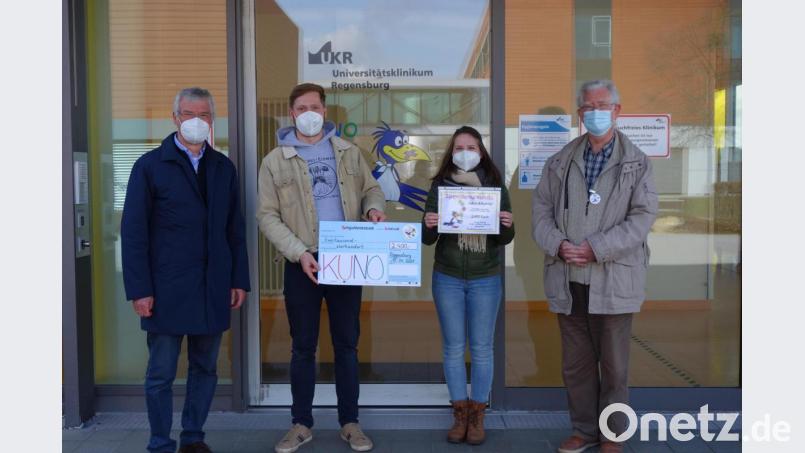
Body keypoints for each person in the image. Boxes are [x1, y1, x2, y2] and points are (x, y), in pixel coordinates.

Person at [256, 83, 386, 453]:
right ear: (292, 113)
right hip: (304, 262)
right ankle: (301, 424)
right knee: (302, 347)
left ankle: (350, 423)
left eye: (315, 106)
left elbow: (371, 190)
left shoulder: (348, 152)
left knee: (347, 344)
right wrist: (299, 253)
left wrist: (373, 209)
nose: (309, 112)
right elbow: (267, 216)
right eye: (301, 107)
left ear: (325, 111)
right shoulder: (274, 160)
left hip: (346, 257)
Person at [531, 80, 658, 453]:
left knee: (615, 367)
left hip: (613, 279)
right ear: (580, 113)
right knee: (577, 365)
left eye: (603, 105)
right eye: (588, 106)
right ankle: (583, 431)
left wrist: (595, 248)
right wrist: (560, 245)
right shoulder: (561, 161)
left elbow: (642, 218)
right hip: (568, 278)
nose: (595, 112)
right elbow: (540, 211)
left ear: (617, 111)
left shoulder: (637, 162)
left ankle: (613, 434)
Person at [121, 87, 250, 453]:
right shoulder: (149, 166)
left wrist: (238, 279)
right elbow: (133, 233)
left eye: (205, 115)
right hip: (164, 290)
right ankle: (160, 442)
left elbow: (233, 229)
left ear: (213, 120)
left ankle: (193, 437)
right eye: (190, 114)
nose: (198, 121)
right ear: (175, 117)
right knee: (160, 374)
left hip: (212, 286)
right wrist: (139, 289)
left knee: (205, 368)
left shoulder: (223, 167)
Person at [422, 126, 514, 445]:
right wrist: (429, 224)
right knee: (453, 348)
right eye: (460, 147)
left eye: (472, 147)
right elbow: (428, 239)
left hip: (485, 278)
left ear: (481, 151)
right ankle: (459, 413)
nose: (465, 152)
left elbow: (504, 239)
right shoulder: (440, 186)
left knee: (482, 348)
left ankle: (478, 414)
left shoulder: (495, 187)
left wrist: (507, 225)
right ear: (451, 151)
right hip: (447, 276)